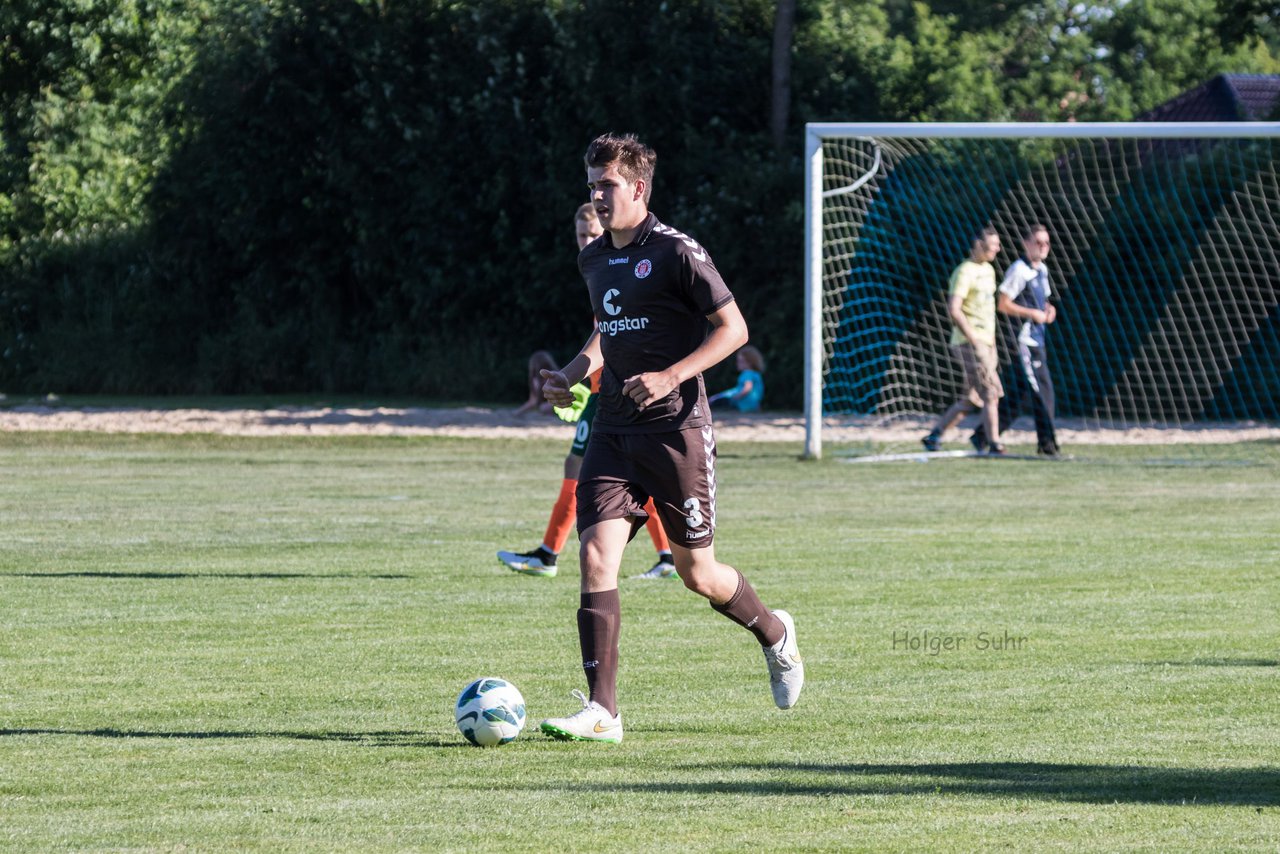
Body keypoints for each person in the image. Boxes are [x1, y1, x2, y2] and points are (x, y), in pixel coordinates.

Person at [536, 132, 803, 743]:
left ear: (638, 187)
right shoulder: (594, 257)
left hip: (678, 433)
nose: (598, 197)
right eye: (592, 186)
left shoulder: (678, 252)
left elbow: (734, 329)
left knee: (697, 573)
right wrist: (573, 374)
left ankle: (775, 633)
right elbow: (606, 326)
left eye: (607, 185)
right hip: (613, 429)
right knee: (597, 555)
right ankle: (603, 710)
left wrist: (672, 375)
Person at [498, 203, 676, 580]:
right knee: (632, 476)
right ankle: (667, 557)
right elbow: (606, 336)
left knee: (586, 470)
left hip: (612, 396)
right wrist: (575, 378)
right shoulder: (598, 268)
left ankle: (548, 555)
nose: (588, 241)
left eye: (594, 234)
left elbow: (620, 336)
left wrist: (590, 383)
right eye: (582, 235)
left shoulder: (621, 268)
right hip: (601, 392)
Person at [970, 224, 1061, 457]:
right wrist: (1031, 314)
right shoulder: (1018, 270)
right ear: (1026, 243)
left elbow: (1044, 302)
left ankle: (981, 436)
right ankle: (1047, 445)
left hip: (1038, 340)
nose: (1042, 247)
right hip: (1023, 341)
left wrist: (1049, 311)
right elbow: (1003, 304)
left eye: (1046, 243)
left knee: (1021, 395)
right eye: (1038, 242)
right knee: (1043, 391)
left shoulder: (1042, 270)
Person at [922, 227, 1005, 455]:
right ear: (978, 244)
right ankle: (994, 444)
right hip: (969, 342)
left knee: (972, 398)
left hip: (986, 342)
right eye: (992, 245)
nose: (997, 249)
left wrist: (990, 342)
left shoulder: (988, 271)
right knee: (990, 392)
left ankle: (934, 435)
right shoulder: (964, 272)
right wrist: (974, 340)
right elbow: (954, 309)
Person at [708, 345, 765, 412]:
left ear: (750, 363)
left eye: (740, 361)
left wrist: (737, 397)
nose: (737, 363)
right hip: (752, 404)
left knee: (713, 400)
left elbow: (748, 388)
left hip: (743, 403)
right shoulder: (756, 374)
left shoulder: (747, 373)